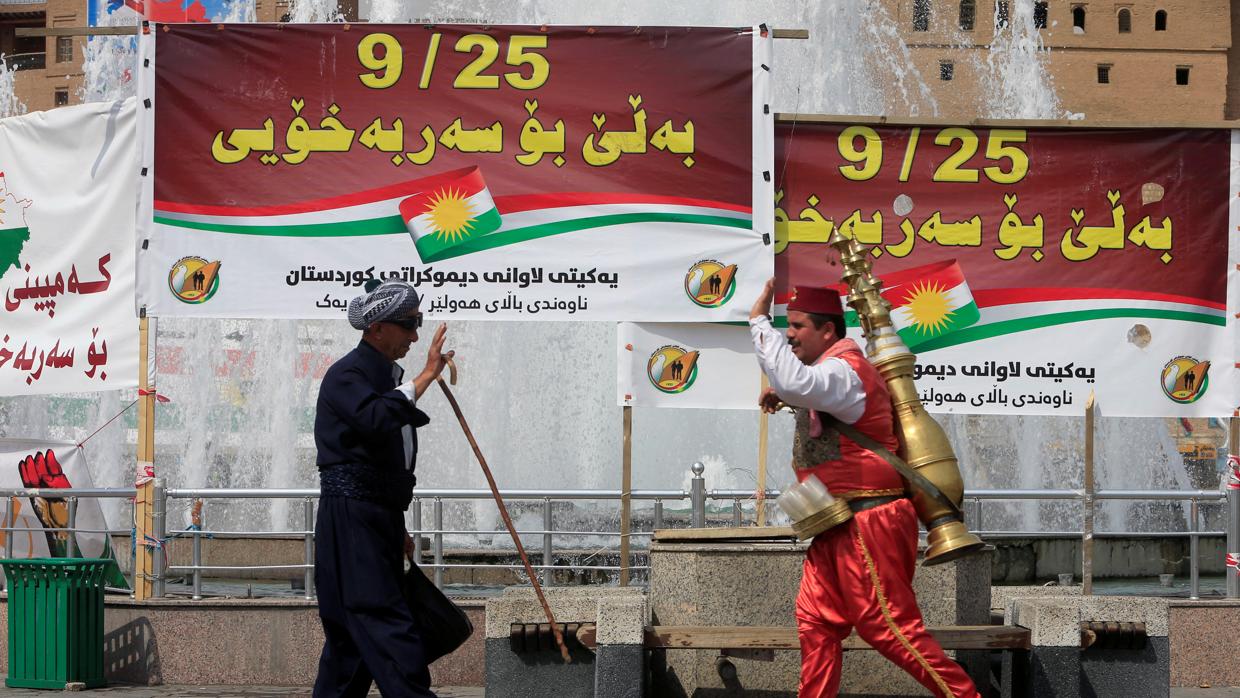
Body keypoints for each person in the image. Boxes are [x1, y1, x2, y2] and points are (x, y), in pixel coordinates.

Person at [749, 278, 979, 698]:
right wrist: (787, 396)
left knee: (889, 628)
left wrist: (758, 321)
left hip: (868, 523)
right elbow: (805, 390)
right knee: (816, 621)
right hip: (837, 522)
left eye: (798, 326)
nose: (790, 334)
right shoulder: (831, 373)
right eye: (788, 326)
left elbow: (801, 383)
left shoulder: (846, 369)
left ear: (828, 332)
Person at [312, 279, 454, 698]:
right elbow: (375, 419)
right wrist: (426, 376)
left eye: (418, 323)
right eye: (408, 324)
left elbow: (383, 463)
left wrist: (398, 528)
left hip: (373, 518)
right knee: (385, 627)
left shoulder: (381, 378)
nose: (414, 335)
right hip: (351, 518)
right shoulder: (347, 376)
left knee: (350, 648)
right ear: (376, 328)